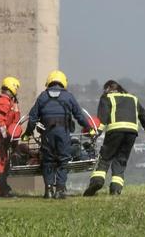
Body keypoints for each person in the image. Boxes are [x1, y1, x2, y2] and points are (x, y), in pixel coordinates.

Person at [22, 69, 93, 199]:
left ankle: (48, 190)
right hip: (63, 134)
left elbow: (32, 118)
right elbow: (79, 116)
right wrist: (89, 128)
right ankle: (60, 190)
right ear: (63, 83)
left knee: (48, 161)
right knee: (63, 160)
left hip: (47, 135)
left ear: (49, 82)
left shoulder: (42, 97)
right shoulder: (69, 97)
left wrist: (27, 133)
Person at [84, 80, 145, 196]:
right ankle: (116, 189)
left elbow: (102, 120)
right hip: (131, 133)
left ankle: (97, 182)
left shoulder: (106, 97)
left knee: (105, 158)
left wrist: (94, 133)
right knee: (121, 160)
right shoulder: (133, 98)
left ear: (108, 88)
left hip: (115, 131)